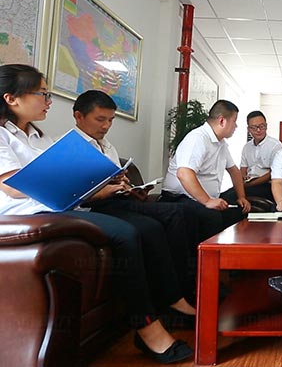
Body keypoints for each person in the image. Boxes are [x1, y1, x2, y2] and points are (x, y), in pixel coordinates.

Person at [0, 64, 192, 363]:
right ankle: (146, 328)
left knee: (145, 227)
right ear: (12, 98)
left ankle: (169, 302)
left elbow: (58, 179)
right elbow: (11, 185)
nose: (49, 101)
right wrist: (70, 178)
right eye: (42, 94)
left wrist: (95, 183)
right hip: (27, 215)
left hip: (59, 206)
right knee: (126, 233)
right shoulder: (2, 135)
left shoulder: (39, 137)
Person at [72, 90, 200, 306]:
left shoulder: (107, 146)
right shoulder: (69, 148)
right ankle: (175, 296)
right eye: (100, 119)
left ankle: (187, 287)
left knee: (181, 212)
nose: (106, 126)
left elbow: (114, 181)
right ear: (79, 116)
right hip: (94, 207)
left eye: (110, 120)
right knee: (155, 224)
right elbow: (76, 193)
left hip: (117, 200)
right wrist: (110, 189)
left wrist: (131, 188)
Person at [161, 99, 251, 242]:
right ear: (222, 121)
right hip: (179, 198)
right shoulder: (197, 138)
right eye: (234, 121)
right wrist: (208, 201)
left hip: (203, 198)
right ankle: (203, 255)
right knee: (211, 216)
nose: (236, 126)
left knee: (239, 211)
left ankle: (228, 253)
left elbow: (234, 171)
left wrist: (241, 197)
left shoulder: (221, 144)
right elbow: (184, 173)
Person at [221, 110, 282, 203]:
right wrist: (242, 180)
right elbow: (243, 170)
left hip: (267, 185)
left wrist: (249, 184)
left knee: (231, 196)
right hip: (249, 183)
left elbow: (273, 173)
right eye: (254, 127)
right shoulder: (247, 147)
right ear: (248, 129)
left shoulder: (275, 146)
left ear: (266, 126)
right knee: (223, 195)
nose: (258, 130)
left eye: (262, 126)